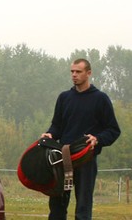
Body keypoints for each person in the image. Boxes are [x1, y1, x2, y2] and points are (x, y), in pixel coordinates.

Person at [40, 58, 121, 220]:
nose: (74, 75)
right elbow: (57, 126)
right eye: (72, 72)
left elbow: (113, 130)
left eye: (78, 71)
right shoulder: (64, 98)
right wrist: (50, 134)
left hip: (86, 160)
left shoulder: (100, 99)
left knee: (83, 207)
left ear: (88, 73)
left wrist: (97, 138)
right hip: (63, 159)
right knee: (57, 206)